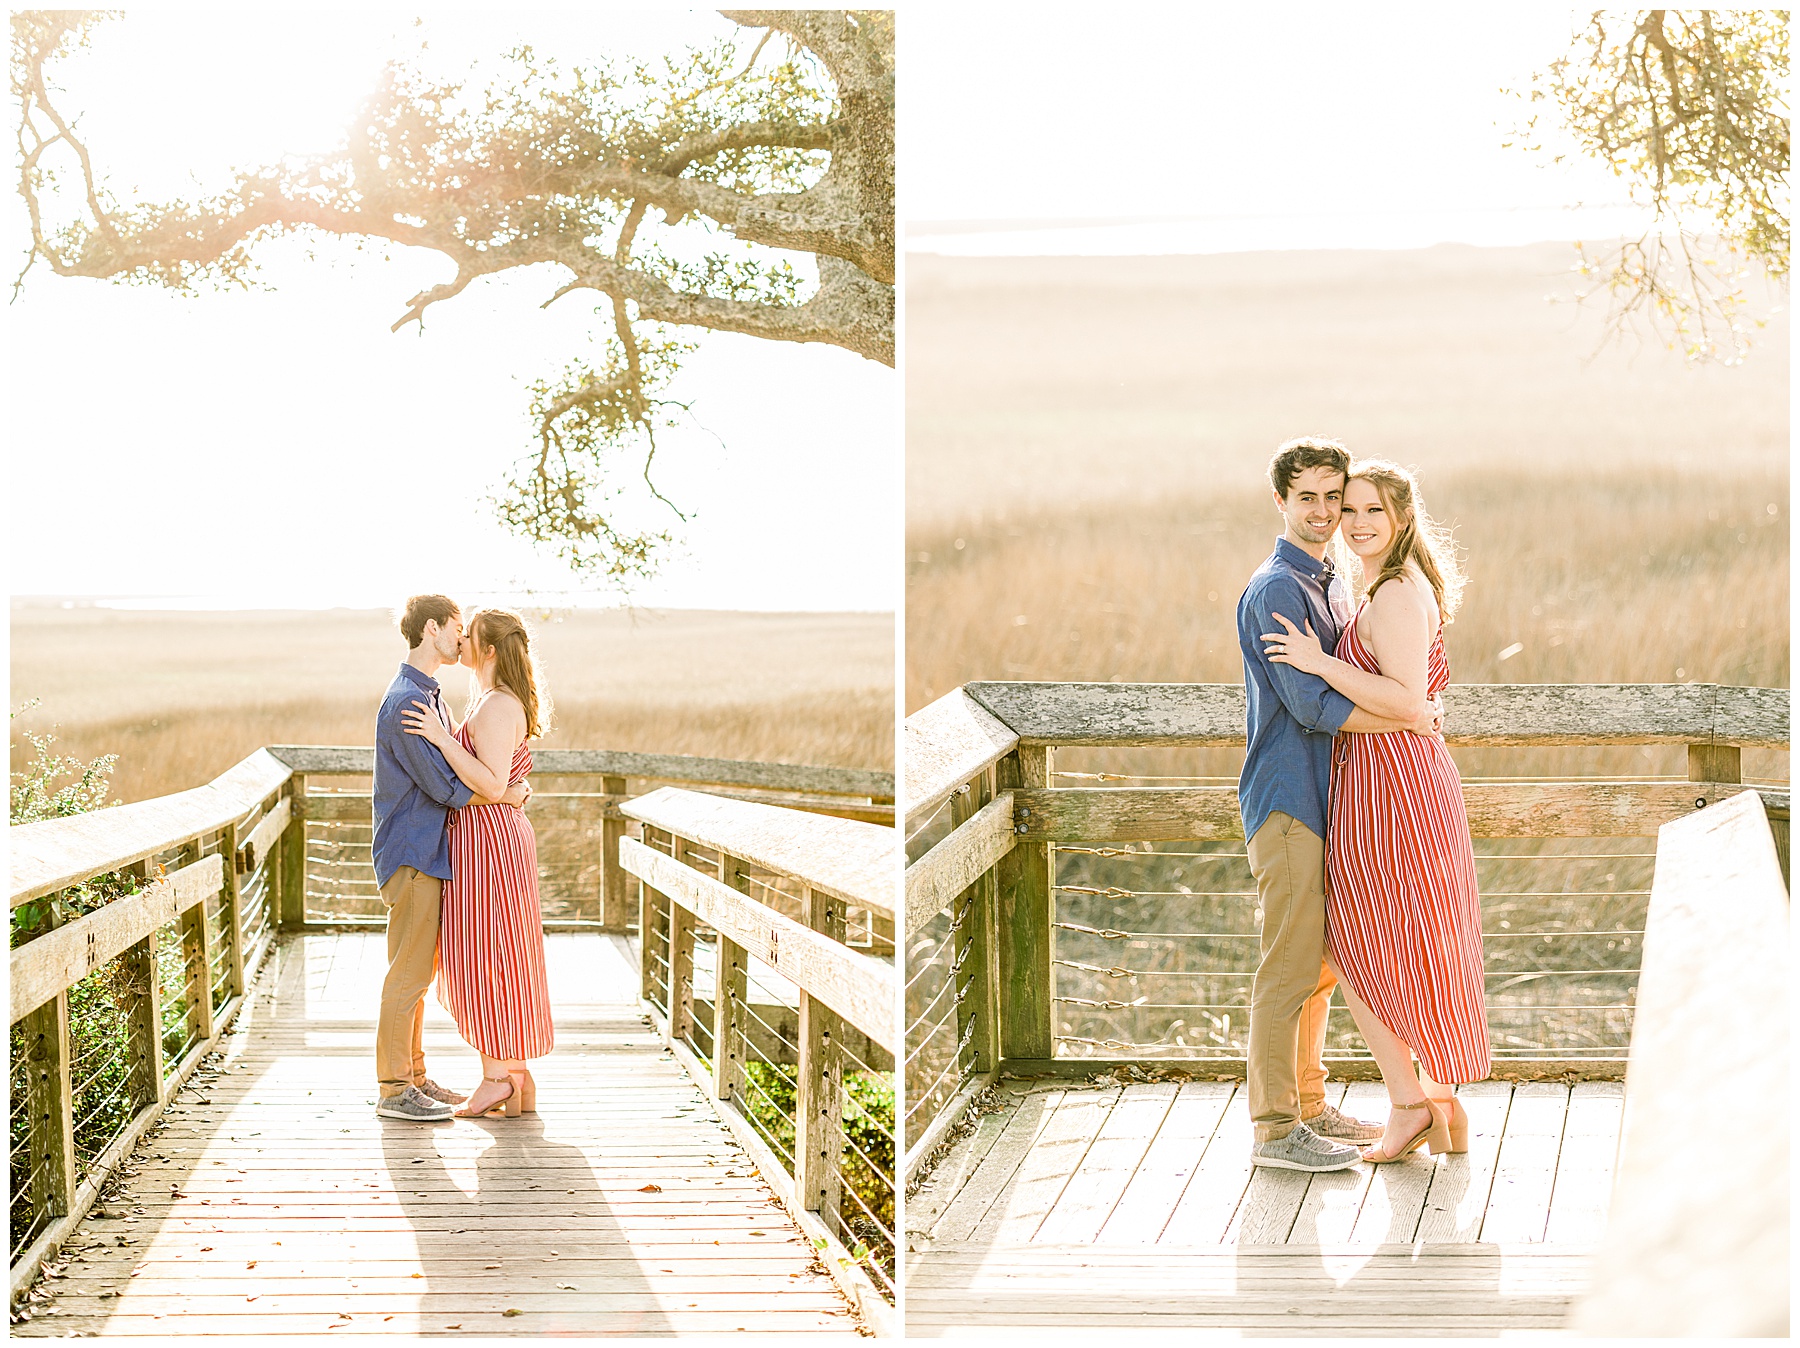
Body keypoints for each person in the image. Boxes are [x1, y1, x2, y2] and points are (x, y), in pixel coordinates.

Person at [1262, 458, 1491, 1164]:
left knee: (1359, 947)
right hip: (1391, 778)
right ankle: (1440, 1104)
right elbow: (1414, 700)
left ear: (1402, 519)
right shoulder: (1386, 586)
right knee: (1403, 941)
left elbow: (1406, 700)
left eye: (1371, 512)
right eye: (1346, 508)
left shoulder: (1393, 591)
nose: (1354, 522)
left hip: (1393, 786)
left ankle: (1409, 1104)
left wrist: (1318, 660)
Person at [1235, 437, 1441, 1172]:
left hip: (1332, 801)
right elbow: (1311, 705)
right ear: (1282, 502)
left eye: (1336, 498)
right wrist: (1410, 715)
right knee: (1288, 966)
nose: (1325, 513)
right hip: (1290, 799)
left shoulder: (1334, 580)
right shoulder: (1276, 590)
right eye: (1310, 499)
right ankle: (1273, 1128)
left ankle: (1311, 1103)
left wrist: (1409, 708)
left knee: (1321, 963)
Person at [372, 595, 529, 1123]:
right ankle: (394, 1088)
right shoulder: (407, 703)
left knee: (417, 971)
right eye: (456, 629)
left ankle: (414, 1076)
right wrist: (503, 794)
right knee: (408, 975)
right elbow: (441, 786)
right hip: (413, 852)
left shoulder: (430, 694)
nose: (463, 639)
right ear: (432, 629)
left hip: (430, 854)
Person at [402, 607, 556, 1119]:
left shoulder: (494, 707)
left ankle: (496, 1078)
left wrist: (443, 738)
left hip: (488, 845)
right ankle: (515, 1075)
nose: (461, 640)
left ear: (488, 650)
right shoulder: (498, 701)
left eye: (470, 636)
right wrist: (511, 793)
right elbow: (502, 785)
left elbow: (490, 783)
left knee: (486, 956)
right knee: (502, 954)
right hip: (493, 838)